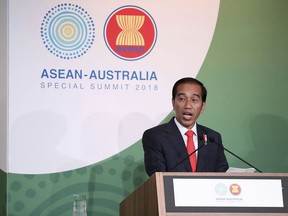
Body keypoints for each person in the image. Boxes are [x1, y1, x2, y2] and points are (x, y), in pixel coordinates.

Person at [142, 77, 229, 176]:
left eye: (194, 100)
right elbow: (157, 177)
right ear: (173, 103)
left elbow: (223, 176)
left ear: (202, 106)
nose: (188, 105)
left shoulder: (213, 138)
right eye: (182, 99)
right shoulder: (155, 136)